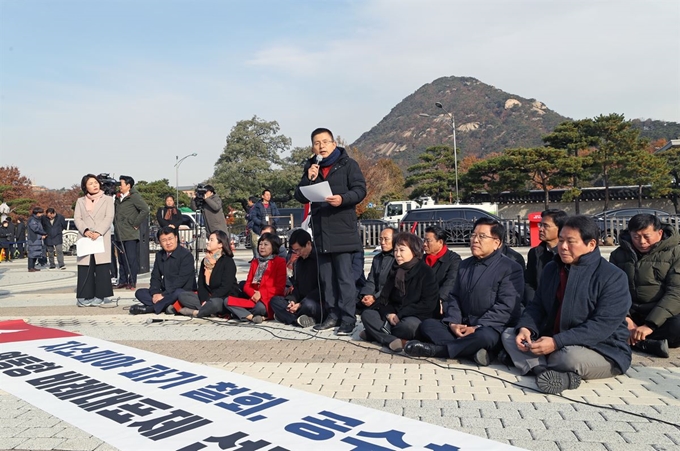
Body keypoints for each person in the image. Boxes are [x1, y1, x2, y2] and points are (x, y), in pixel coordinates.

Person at [501, 215, 631, 394]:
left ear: (591, 244)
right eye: (561, 240)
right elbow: (536, 306)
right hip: (553, 339)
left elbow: (601, 326)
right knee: (510, 335)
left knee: (568, 357)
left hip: (601, 348)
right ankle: (545, 373)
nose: (562, 247)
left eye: (571, 242)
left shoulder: (613, 277)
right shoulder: (552, 269)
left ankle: (536, 365)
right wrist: (526, 328)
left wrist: (556, 342)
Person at [406, 218, 524, 366]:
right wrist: (454, 323)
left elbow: (506, 306)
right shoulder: (464, 265)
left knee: (484, 337)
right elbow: (454, 297)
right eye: (473, 235)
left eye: (482, 236)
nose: (475, 240)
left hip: (490, 326)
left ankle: (438, 350)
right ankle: (472, 351)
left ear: (497, 243)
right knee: (428, 324)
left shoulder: (510, 268)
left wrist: (478, 327)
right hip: (463, 324)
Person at [294, 127, 367, 335]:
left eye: (325, 142)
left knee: (344, 278)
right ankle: (332, 315)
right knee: (326, 277)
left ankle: (348, 318)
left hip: (342, 229)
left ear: (334, 144)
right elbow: (299, 195)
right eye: (317, 143)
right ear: (312, 147)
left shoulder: (348, 164)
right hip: (321, 232)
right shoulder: (311, 166)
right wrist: (309, 179)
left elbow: (360, 190)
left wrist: (343, 199)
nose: (321, 146)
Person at [609, 214, 680, 358]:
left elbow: (675, 292)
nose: (641, 241)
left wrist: (650, 325)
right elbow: (611, 291)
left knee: (677, 327)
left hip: (660, 313)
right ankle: (645, 343)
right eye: (636, 237)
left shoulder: (676, 253)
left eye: (647, 236)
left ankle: (631, 339)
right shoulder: (618, 255)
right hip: (630, 312)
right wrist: (626, 319)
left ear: (659, 233)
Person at [361, 232, 439, 352]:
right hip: (394, 315)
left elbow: (428, 304)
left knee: (409, 326)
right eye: (396, 250)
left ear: (414, 251)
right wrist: (389, 314)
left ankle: (376, 334)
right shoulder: (395, 270)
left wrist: (401, 314)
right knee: (367, 315)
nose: (397, 254)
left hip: (414, 316)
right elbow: (384, 299)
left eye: (401, 250)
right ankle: (392, 340)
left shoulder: (425, 272)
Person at [130, 226, 196, 315]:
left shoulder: (186, 255)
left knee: (179, 293)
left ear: (176, 238)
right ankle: (167, 306)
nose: (168, 243)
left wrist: (163, 295)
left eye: (170, 239)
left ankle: (151, 308)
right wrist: (155, 293)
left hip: (182, 291)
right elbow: (155, 277)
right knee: (140, 293)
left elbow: (181, 281)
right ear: (160, 242)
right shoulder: (160, 255)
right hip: (165, 291)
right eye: (164, 240)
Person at [176, 230, 240, 318]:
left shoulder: (228, 261)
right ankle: (207, 310)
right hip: (207, 297)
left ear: (220, 244)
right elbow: (201, 284)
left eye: (211, 240)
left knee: (215, 303)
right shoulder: (205, 261)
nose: (208, 242)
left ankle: (195, 312)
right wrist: (204, 300)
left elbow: (226, 287)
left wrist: (210, 299)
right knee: (183, 296)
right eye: (208, 239)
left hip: (223, 297)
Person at [225, 232, 286, 323]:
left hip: (267, 300)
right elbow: (247, 284)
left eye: (266, 244)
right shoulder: (255, 262)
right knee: (227, 301)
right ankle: (250, 317)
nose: (262, 247)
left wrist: (261, 294)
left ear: (273, 247)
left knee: (260, 308)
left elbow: (279, 288)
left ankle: (241, 314)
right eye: (260, 244)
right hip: (253, 298)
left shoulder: (279, 262)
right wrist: (253, 294)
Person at [73, 175, 115, 306]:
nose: (95, 185)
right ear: (85, 186)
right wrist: (85, 231)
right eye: (91, 183)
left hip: (101, 237)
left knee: (101, 267)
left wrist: (98, 232)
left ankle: (100, 295)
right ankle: (84, 295)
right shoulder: (80, 201)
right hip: (85, 237)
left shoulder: (107, 200)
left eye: (96, 182)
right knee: (86, 267)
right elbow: (77, 218)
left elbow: (109, 217)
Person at [271, 229, 323, 327]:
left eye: (299, 249)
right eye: (295, 250)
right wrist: (292, 300)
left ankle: (287, 317)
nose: (297, 253)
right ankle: (298, 319)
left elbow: (323, 289)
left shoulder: (320, 260)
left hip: (315, 302)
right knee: (275, 301)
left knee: (308, 305)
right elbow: (297, 286)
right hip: (300, 301)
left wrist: (300, 304)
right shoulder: (298, 262)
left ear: (308, 244)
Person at [525, 209, 568, 305]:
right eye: (540, 225)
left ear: (560, 229)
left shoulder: (567, 253)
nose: (540, 229)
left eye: (546, 226)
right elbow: (529, 283)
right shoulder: (534, 253)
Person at [114, 175, 149, 290]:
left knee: (131, 259)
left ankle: (132, 281)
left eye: (121, 184)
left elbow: (145, 209)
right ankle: (122, 280)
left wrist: (135, 223)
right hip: (119, 233)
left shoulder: (134, 197)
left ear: (128, 185)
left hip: (130, 234)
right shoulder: (118, 198)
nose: (119, 186)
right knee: (121, 259)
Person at [422, 226, 462, 317]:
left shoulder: (453, 259)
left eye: (428, 241)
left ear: (440, 242)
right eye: (424, 240)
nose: (424, 244)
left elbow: (451, 281)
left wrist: (440, 299)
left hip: (442, 302)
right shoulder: (421, 259)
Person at [358, 227, 397, 312]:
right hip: (374, 294)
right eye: (381, 239)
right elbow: (371, 280)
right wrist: (367, 294)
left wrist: (375, 297)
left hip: (388, 296)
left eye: (386, 239)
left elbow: (392, 284)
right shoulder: (377, 258)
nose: (382, 242)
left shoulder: (398, 258)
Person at [251, 189, 280, 257]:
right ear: (262, 196)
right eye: (267, 195)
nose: (268, 196)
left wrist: (274, 221)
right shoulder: (257, 206)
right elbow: (253, 216)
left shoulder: (273, 205)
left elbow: (277, 215)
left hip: (271, 227)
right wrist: (260, 223)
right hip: (260, 228)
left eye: (269, 195)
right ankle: (258, 257)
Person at [27, 207, 47, 272]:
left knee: (36, 253)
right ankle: (30, 267)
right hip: (33, 239)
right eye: (41, 213)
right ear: (37, 213)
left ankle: (33, 267)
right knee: (32, 253)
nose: (42, 214)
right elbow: (35, 229)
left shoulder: (37, 219)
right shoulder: (32, 220)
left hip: (37, 238)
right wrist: (44, 233)